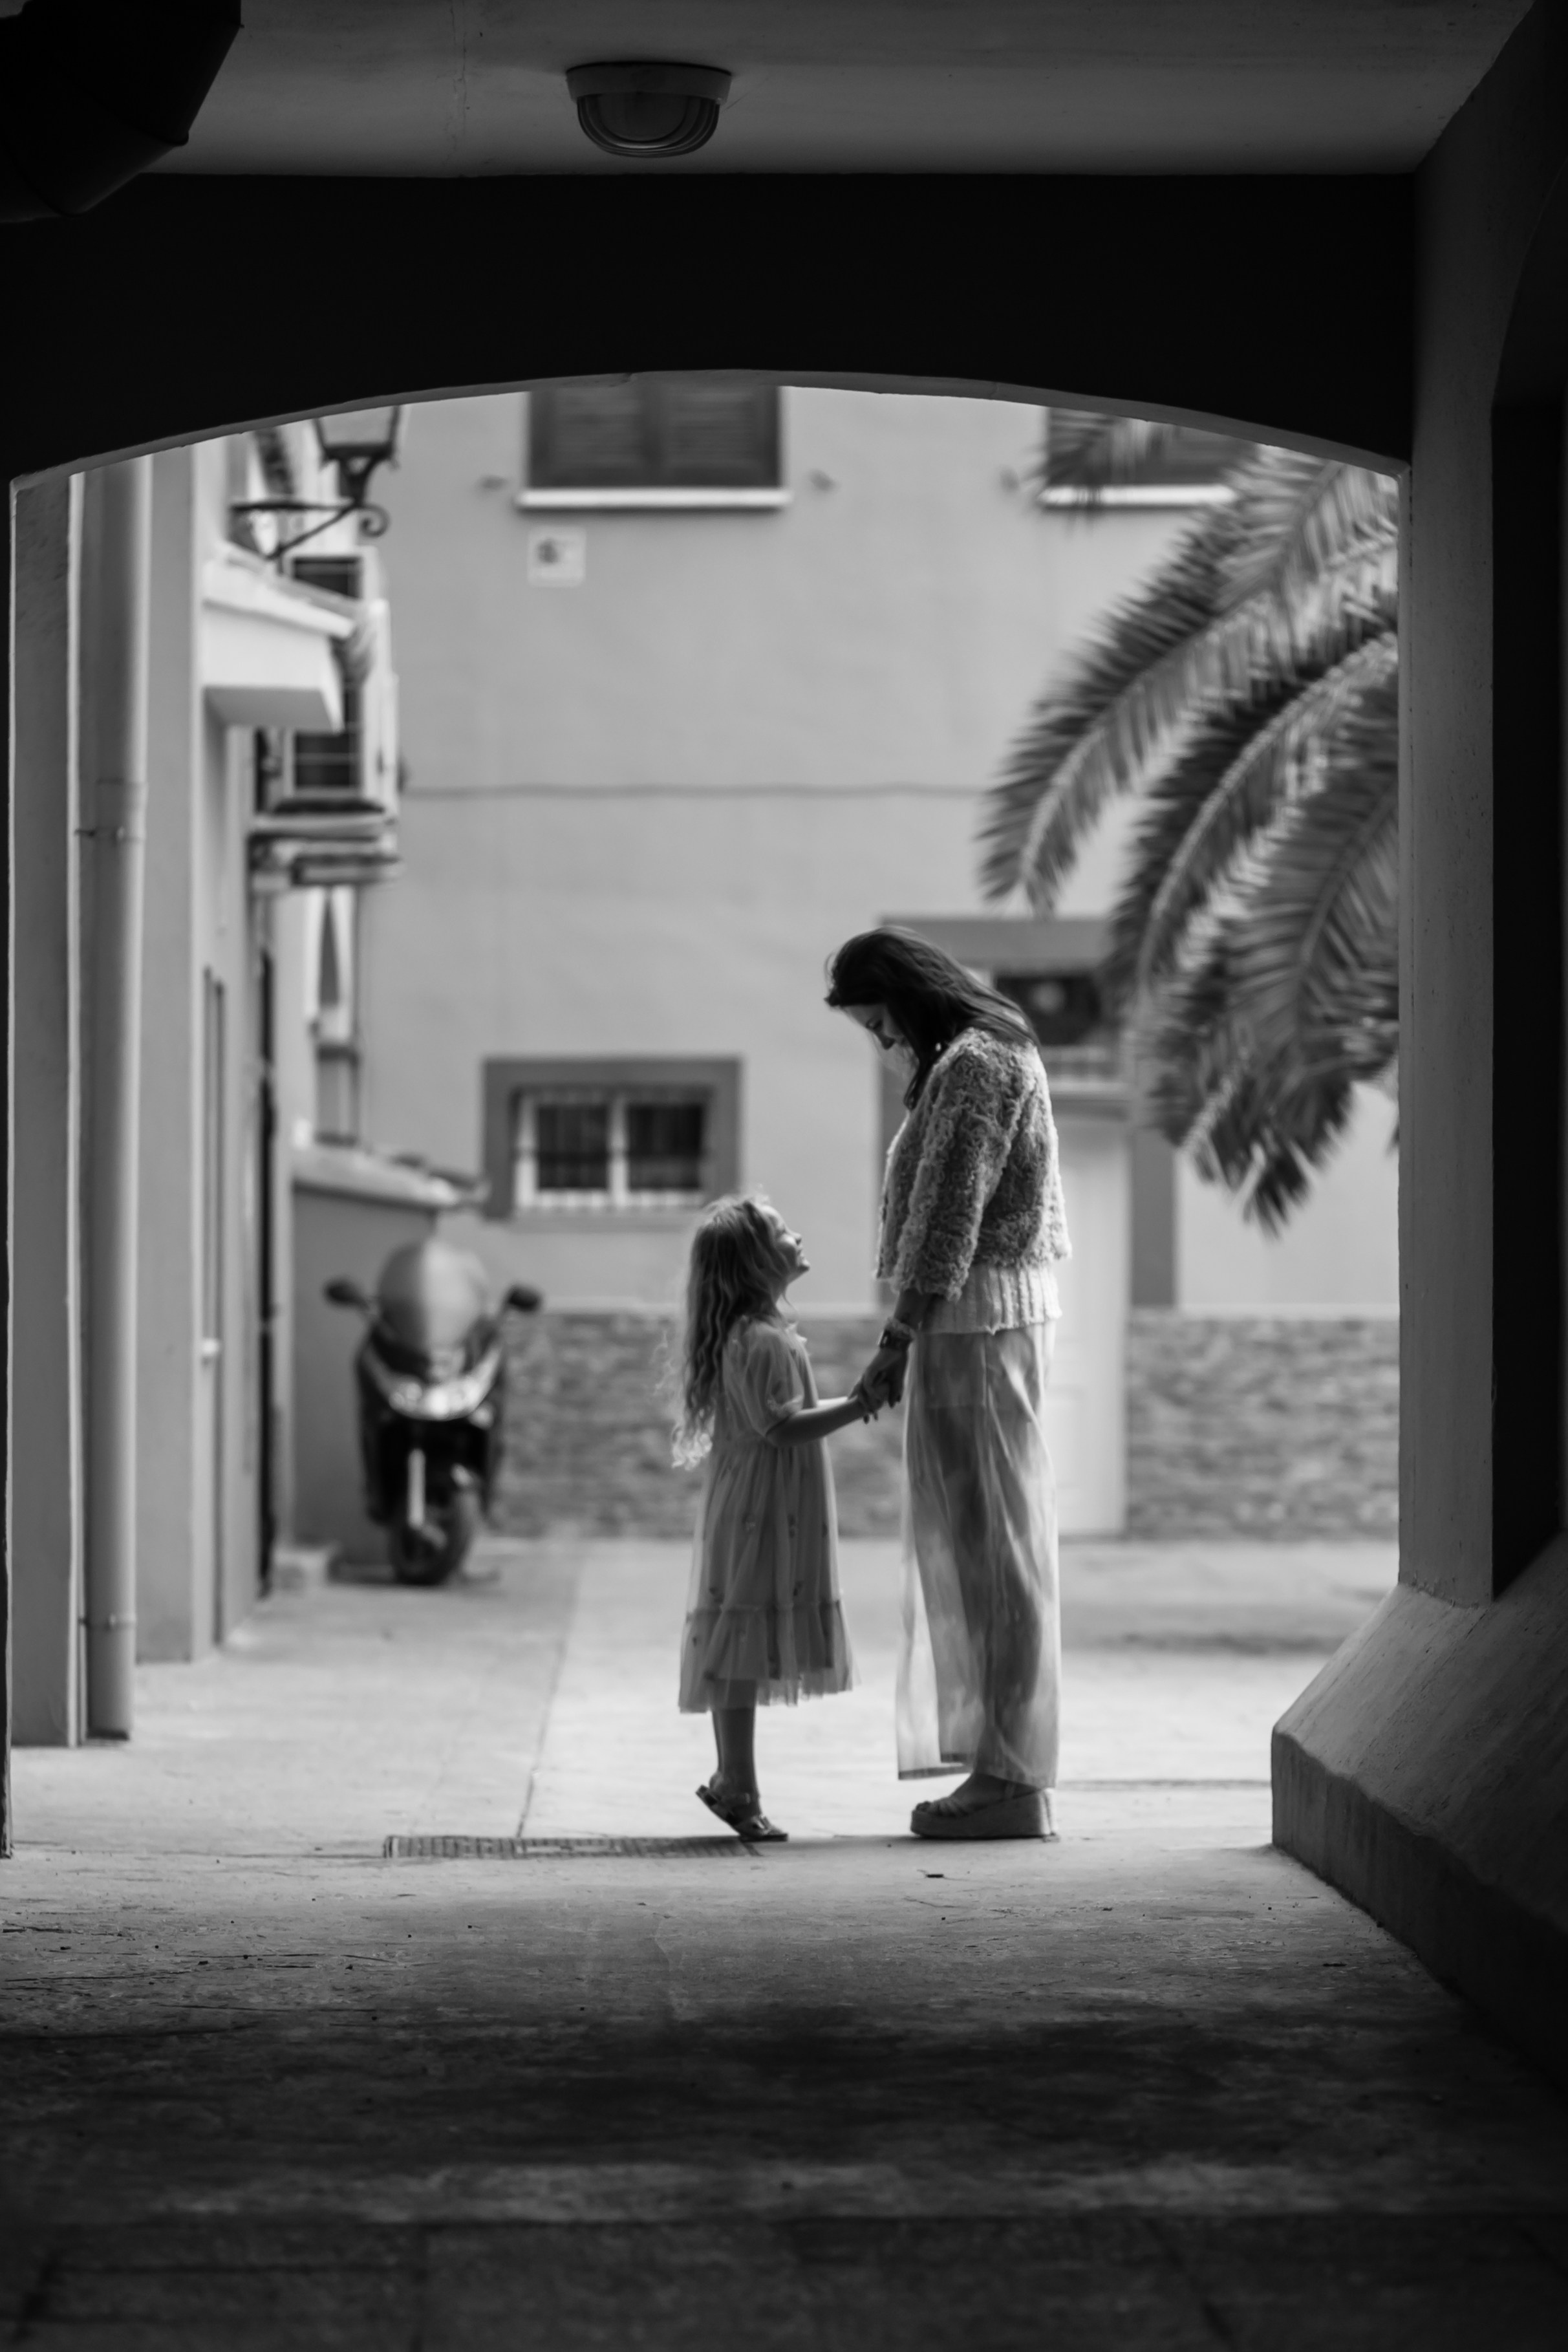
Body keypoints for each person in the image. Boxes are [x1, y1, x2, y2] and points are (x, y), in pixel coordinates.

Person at [828, 927, 1071, 1841]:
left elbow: (947, 1214)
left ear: (907, 994)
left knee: (994, 1550)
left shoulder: (976, 1063)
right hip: (974, 1319)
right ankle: (1005, 1768)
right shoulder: (980, 1055)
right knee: (984, 1547)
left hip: (976, 1319)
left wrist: (896, 1337)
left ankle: (1011, 1777)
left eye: (879, 1022)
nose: (883, 1041)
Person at [673, 1193, 880, 1843]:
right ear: (756, 1263)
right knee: (739, 1635)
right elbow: (782, 1428)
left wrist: (859, 1399)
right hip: (760, 1510)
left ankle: (737, 1779)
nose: (798, 1235)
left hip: (759, 1504)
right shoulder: (761, 1341)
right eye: (783, 1231)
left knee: (739, 1635)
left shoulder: (757, 1336)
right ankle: (736, 1780)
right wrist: (863, 1403)